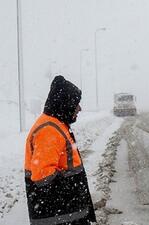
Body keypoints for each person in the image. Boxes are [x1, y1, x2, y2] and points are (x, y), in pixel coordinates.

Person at [24, 75, 96, 225]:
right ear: (66, 103)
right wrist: (74, 192)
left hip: (65, 216)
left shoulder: (57, 124)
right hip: (59, 218)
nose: (79, 108)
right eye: (76, 103)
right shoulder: (49, 129)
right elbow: (43, 177)